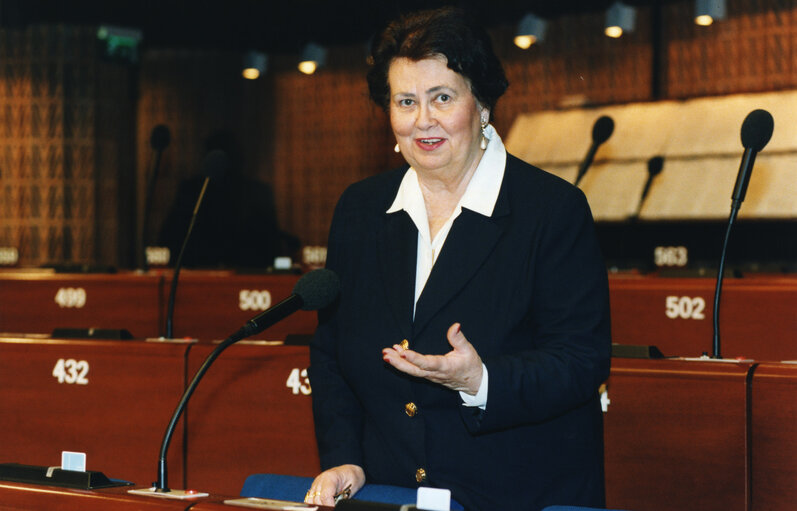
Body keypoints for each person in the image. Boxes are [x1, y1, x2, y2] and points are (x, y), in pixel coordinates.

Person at [306, 7, 611, 511]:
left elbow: (581, 361)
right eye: (406, 101)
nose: (423, 120)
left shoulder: (552, 209)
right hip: (391, 491)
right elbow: (331, 353)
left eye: (441, 98)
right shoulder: (361, 210)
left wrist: (480, 381)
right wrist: (346, 457)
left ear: (482, 103)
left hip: (519, 494)